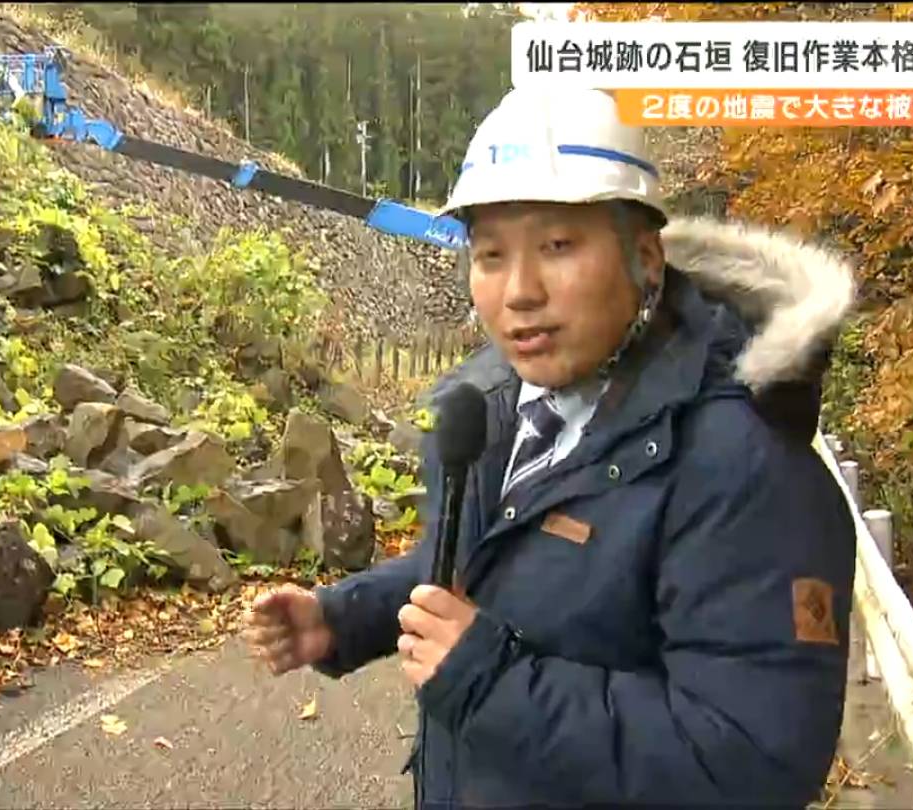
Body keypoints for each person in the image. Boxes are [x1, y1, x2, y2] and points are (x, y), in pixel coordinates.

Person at [244, 86, 859, 808]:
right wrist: (343, 618)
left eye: (557, 246)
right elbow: (482, 555)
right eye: (490, 255)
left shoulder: (744, 468)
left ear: (645, 258)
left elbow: (752, 761)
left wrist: (486, 678)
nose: (519, 292)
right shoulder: (493, 403)